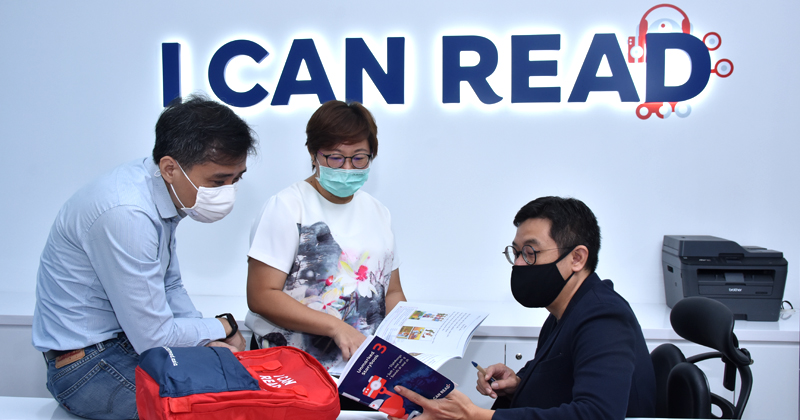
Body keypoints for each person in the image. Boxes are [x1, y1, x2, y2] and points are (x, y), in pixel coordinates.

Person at [32, 94, 255, 420]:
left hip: (124, 344)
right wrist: (221, 326)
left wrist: (205, 340)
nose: (228, 192)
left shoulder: (160, 190)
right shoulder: (128, 214)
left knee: (242, 390)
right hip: (88, 366)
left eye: (236, 179)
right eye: (218, 181)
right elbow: (154, 336)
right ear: (170, 168)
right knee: (220, 409)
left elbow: (169, 285)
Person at [390, 196, 656, 420]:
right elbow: (563, 381)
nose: (518, 263)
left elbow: (597, 414)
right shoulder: (563, 312)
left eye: (530, 253)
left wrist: (474, 415)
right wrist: (518, 384)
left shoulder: (603, 318)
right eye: (516, 252)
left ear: (577, 258)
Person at [245, 100, 407, 377]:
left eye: (359, 158)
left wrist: (409, 338)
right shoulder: (288, 206)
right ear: (313, 154)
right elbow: (262, 295)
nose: (347, 168)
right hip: (293, 369)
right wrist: (335, 327)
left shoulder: (379, 212)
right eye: (335, 157)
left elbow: (391, 293)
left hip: (361, 370)